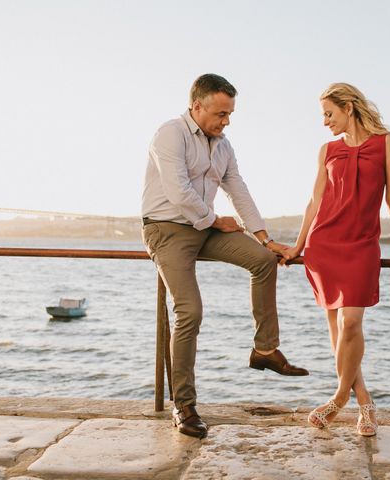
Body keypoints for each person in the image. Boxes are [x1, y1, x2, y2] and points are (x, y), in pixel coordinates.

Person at [141, 73, 309, 439]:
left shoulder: (224, 146)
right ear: (197, 106)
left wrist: (264, 239)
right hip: (167, 228)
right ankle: (183, 406)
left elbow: (238, 190)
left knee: (264, 262)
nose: (226, 121)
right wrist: (214, 219)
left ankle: (264, 350)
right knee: (190, 311)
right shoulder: (169, 133)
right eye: (220, 113)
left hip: (206, 228)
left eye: (230, 114)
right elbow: (178, 191)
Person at [283, 83, 390, 437]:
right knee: (337, 328)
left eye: (329, 113)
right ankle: (364, 404)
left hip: (361, 245)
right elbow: (314, 201)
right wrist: (298, 245)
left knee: (352, 324)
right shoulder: (327, 150)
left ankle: (340, 397)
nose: (325, 121)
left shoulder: (384, 142)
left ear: (348, 107)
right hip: (324, 243)